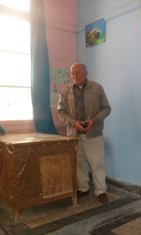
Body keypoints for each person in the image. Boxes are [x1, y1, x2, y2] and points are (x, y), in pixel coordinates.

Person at [57, 63, 111, 203]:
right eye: (72, 73)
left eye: (78, 73)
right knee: (78, 162)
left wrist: (95, 120)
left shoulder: (97, 88)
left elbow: (106, 109)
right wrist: (74, 123)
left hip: (93, 133)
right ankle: (83, 189)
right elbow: (60, 111)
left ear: (86, 73)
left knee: (97, 163)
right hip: (74, 134)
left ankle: (101, 191)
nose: (74, 76)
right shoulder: (66, 91)